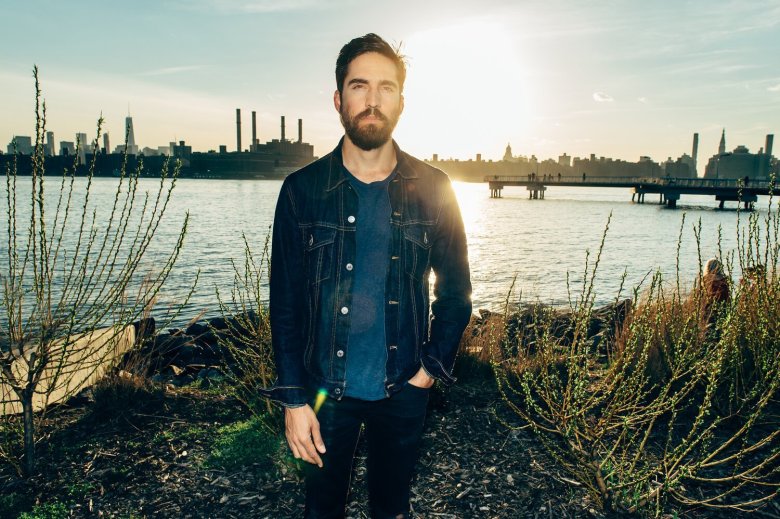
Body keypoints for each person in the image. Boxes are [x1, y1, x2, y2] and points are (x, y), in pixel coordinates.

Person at [263, 33, 472, 518]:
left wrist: (428, 370)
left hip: (403, 388)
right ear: (339, 99)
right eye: (359, 86)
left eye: (386, 87)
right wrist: (294, 401)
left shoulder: (436, 189)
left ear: (401, 101)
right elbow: (286, 304)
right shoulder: (302, 191)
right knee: (322, 510)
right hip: (321, 392)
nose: (372, 100)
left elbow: (456, 293)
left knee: (391, 510)